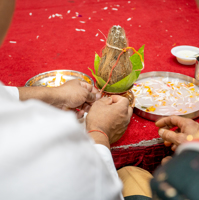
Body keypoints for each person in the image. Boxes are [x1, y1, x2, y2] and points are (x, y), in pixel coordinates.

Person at [0, 0, 133, 199]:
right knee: (134, 175)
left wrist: (53, 94)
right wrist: (99, 133)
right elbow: (98, 192)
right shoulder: (34, 145)